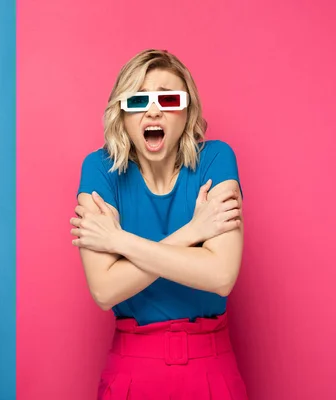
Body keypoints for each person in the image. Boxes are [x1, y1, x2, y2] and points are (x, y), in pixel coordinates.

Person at [70, 49, 248, 399]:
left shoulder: (216, 159)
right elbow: (105, 291)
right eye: (138, 100)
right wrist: (193, 233)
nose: (153, 110)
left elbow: (221, 276)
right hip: (132, 370)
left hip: (212, 367)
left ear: (187, 111)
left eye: (168, 98)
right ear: (121, 113)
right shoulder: (99, 170)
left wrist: (118, 241)